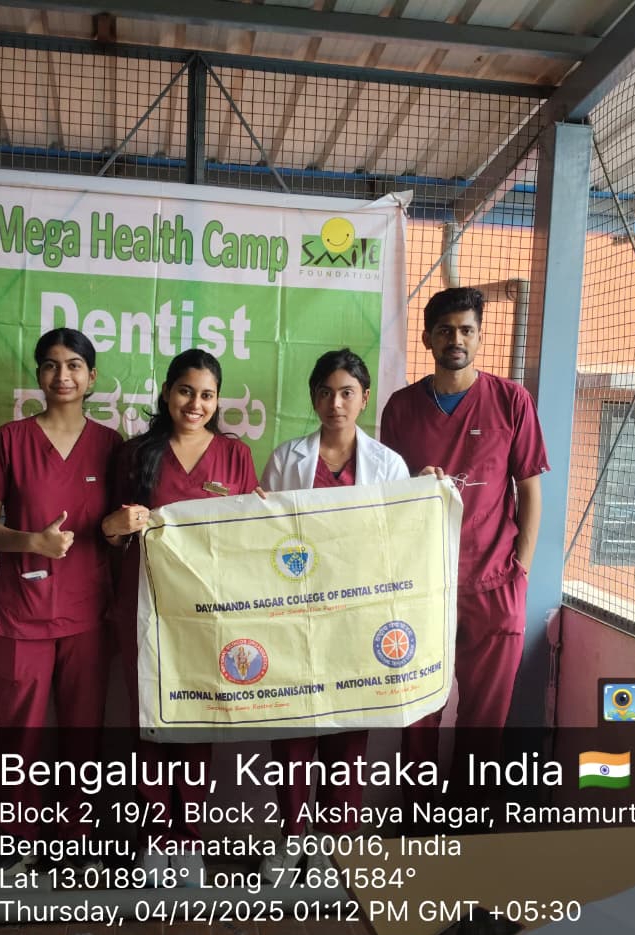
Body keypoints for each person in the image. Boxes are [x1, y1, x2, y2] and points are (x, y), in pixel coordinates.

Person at [102, 349, 259, 883]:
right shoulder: (135, 454)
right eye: (186, 391)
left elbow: (250, 539)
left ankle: (188, 841)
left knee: (197, 721)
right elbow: (107, 533)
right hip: (144, 605)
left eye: (208, 394)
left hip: (209, 614)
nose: (196, 403)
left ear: (218, 401)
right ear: (168, 392)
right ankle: (153, 837)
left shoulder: (236, 456)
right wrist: (120, 523)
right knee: (150, 722)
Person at [380, 287, 548, 776]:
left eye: (467, 330)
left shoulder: (510, 400)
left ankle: (472, 815)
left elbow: (531, 490)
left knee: (485, 720)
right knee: (418, 711)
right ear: (429, 339)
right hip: (421, 584)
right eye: (446, 330)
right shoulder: (401, 408)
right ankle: (417, 818)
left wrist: (521, 572)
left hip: (494, 582)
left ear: (479, 336)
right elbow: (388, 494)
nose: (457, 339)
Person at [0, 328, 121, 871]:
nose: (63, 376)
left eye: (75, 365)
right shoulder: (9, 440)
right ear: (38, 375)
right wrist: (31, 540)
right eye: (52, 365)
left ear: (92, 377)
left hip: (88, 614)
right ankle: (17, 843)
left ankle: (75, 841)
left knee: (83, 738)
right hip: (21, 614)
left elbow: (121, 528)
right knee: (22, 738)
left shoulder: (111, 445)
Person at [259, 348, 408, 877]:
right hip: (295, 617)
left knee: (348, 735)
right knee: (294, 732)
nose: (336, 402)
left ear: (364, 399)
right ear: (313, 398)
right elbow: (266, 539)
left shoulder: (389, 467)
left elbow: (398, 544)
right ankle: (293, 835)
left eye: (347, 392)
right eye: (325, 392)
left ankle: (336, 842)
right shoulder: (285, 459)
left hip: (356, 620)